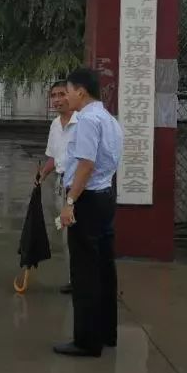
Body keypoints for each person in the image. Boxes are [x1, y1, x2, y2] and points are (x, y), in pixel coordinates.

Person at [55, 67, 123, 357]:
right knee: (104, 268)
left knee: (84, 272)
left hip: (88, 200)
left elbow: (85, 165)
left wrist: (70, 202)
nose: (66, 96)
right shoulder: (109, 119)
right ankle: (107, 333)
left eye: (68, 91)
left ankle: (86, 340)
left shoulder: (86, 121)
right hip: (105, 196)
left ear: (81, 91)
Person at [35, 80, 78, 294]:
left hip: (79, 186)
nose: (58, 99)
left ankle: (83, 279)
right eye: (54, 95)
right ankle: (74, 278)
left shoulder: (83, 123)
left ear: (72, 95)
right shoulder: (55, 125)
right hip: (61, 185)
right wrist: (43, 174)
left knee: (79, 235)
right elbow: (54, 156)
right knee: (66, 235)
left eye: (62, 94)